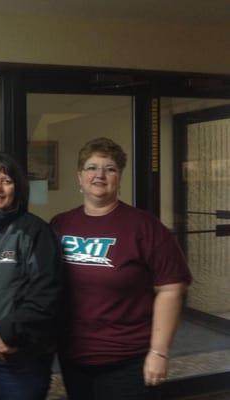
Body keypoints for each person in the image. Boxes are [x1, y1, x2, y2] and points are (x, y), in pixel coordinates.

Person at [50, 137, 192, 400]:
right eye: (91, 167)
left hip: (128, 359)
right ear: (79, 177)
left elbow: (171, 288)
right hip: (74, 356)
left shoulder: (145, 226)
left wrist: (159, 352)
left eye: (110, 168)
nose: (99, 175)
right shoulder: (60, 224)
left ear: (119, 177)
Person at [0, 152, 65, 400]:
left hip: (16, 357)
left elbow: (47, 292)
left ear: (18, 188)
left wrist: (10, 330)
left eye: (6, 181)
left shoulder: (35, 232)